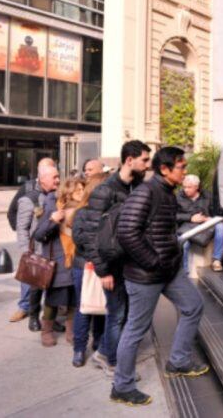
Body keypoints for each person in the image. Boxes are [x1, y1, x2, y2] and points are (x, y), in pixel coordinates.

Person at [112, 147, 208, 407]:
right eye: (181, 167)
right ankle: (122, 386)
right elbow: (127, 232)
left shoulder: (167, 192)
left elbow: (164, 225)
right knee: (135, 328)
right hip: (146, 274)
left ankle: (178, 361)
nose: (185, 171)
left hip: (168, 270)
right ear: (164, 169)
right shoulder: (146, 192)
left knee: (193, 306)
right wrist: (153, 261)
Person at [83, 140, 151, 377]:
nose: (148, 165)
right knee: (117, 314)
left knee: (125, 314)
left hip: (130, 264)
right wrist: (103, 271)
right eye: (144, 160)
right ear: (129, 160)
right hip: (112, 267)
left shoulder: (139, 186)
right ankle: (109, 359)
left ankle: (107, 353)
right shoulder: (105, 190)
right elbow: (91, 234)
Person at [32, 172, 80, 347]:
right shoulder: (52, 204)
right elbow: (37, 234)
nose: (82, 191)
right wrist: (53, 220)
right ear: (70, 191)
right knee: (53, 299)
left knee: (74, 299)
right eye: (79, 189)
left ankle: (71, 331)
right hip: (58, 262)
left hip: (76, 260)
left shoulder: (83, 207)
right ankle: (46, 331)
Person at [9, 157, 56, 324]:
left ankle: (49, 315)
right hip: (33, 247)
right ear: (40, 173)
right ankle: (25, 307)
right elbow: (14, 213)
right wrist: (24, 249)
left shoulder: (56, 190)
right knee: (30, 278)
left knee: (50, 281)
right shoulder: (28, 189)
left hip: (51, 246)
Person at [70, 173, 109, 367]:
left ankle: (99, 343)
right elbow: (79, 239)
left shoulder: (110, 211)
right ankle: (79, 348)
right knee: (84, 308)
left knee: (102, 306)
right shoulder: (82, 213)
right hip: (84, 267)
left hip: (102, 266)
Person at [177, 174, 223, 273]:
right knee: (184, 244)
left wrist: (210, 218)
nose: (186, 189)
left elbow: (218, 211)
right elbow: (173, 215)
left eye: (189, 187)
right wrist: (191, 218)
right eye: (184, 187)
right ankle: (185, 272)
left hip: (205, 225)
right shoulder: (178, 197)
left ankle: (216, 260)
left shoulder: (207, 195)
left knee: (220, 226)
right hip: (187, 227)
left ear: (197, 187)